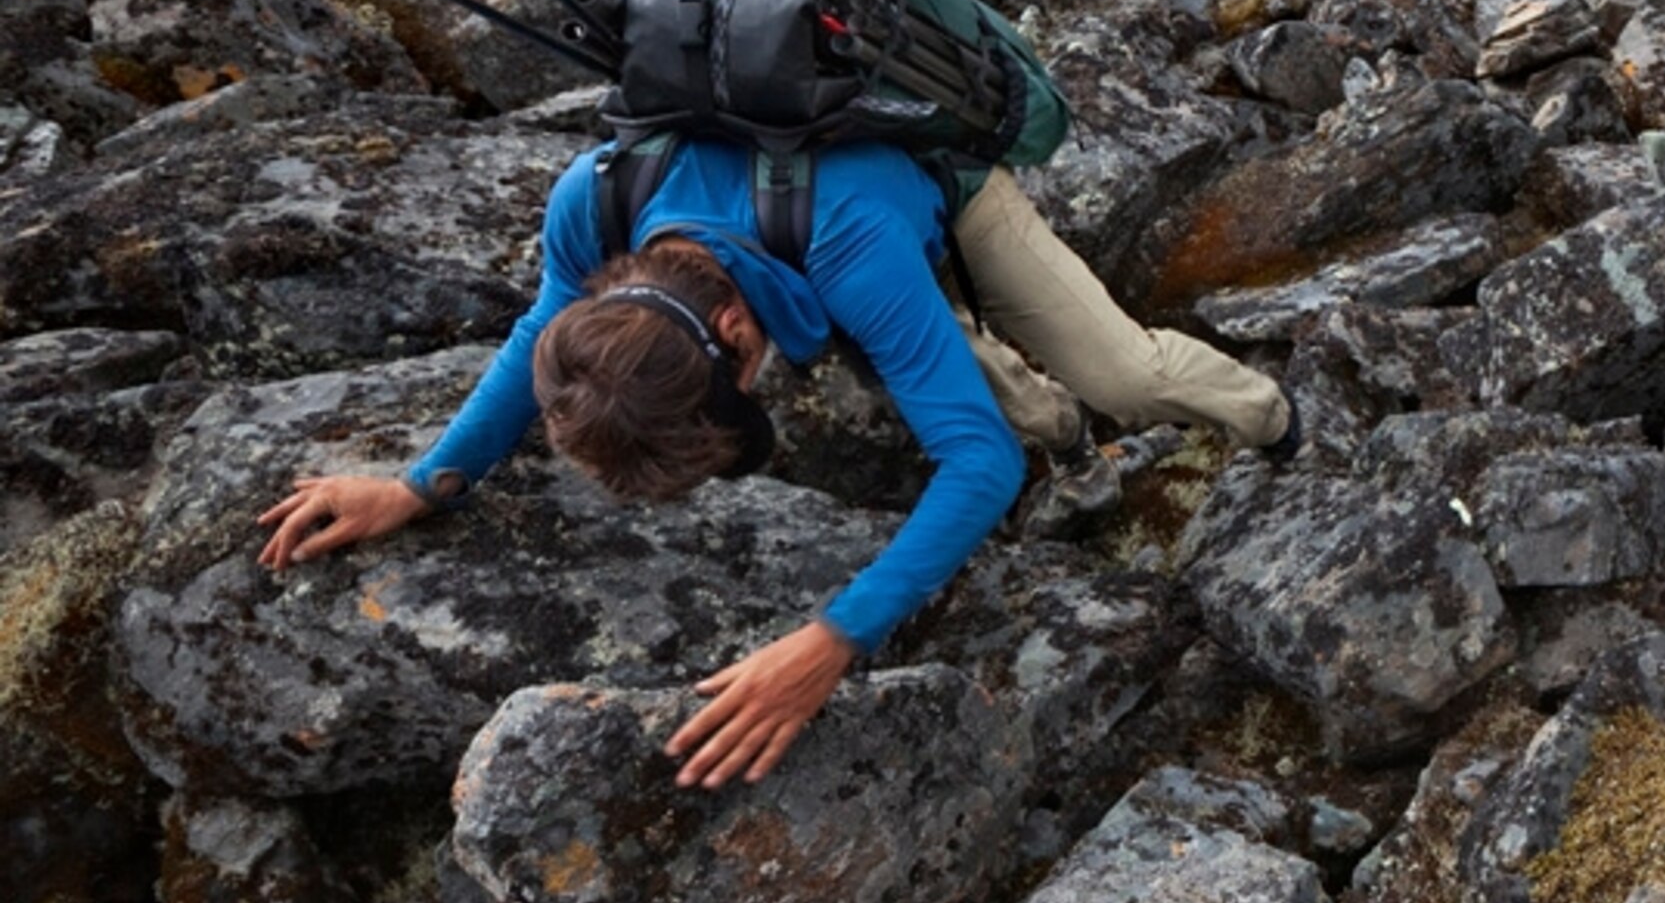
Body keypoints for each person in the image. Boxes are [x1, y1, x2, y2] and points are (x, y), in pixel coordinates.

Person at [257, 140, 1293, 787]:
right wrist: (418, 483)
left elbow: (977, 467)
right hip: (813, 249)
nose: (757, 394)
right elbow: (539, 328)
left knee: (1120, 373)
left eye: (739, 380)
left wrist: (833, 639)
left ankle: (1277, 420)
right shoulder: (597, 198)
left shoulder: (849, 244)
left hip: (920, 196)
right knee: (961, 377)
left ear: (726, 325)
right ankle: (1065, 436)